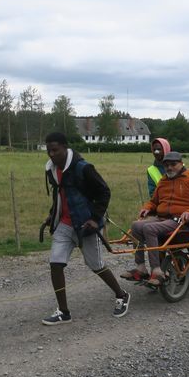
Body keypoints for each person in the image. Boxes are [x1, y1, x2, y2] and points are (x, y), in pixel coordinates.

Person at [41, 132, 130, 325]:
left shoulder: (83, 168)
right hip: (64, 225)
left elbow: (104, 192)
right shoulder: (51, 169)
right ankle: (64, 312)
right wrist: (52, 214)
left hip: (85, 225)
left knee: (96, 265)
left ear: (65, 147)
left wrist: (95, 218)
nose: (51, 154)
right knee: (56, 264)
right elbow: (59, 195)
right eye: (49, 150)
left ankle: (121, 294)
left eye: (55, 150)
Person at [120, 151, 189, 286]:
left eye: (173, 164)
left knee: (149, 228)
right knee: (136, 225)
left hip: (181, 222)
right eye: (166, 165)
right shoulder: (164, 180)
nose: (169, 168)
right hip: (162, 218)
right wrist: (147, 208)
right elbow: (154, 201)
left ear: (181, 163)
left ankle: (157, 271)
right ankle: (141, 268)